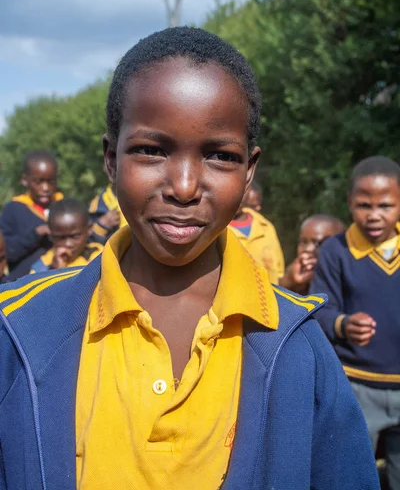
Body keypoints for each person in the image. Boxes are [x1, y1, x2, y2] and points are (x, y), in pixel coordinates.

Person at [0, 27, 378, 490]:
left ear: (249, 170)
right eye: (151, 151)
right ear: (111, 159)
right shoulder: (20, 330)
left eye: (219, 155)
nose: (183, 187)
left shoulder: (298, 346)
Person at [311, 156, 400, 489]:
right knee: (351, 472)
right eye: (363, 205)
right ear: (349, 203)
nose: (374, 214)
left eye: (386, 205)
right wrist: (343, 323)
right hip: (358, 384)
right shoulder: (336, 250)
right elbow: (321, 309)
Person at [0, 150, 63, 279]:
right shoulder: (13, 209)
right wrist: (36, 234)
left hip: (59, 279)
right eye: (38, 182)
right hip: (23, 284)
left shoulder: (64, 206)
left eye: (50, 181)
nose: (45, 188)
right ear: (25, 180)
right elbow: (7, 252)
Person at [229, 186, 284, 284]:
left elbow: (279, 271)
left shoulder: (265, 226)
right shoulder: (215, 230)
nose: (236, 196)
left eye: (242, 189)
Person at [30, 198, 103, 273]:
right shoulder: (43, 266)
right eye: (60, 237)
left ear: (89, 229)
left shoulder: (100, 257)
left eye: (74, 236)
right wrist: (54, 271)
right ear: (51, 235)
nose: (68, 244)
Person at [280, 214, 345, 295]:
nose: (308, 249)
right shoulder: (293, 277)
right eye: (303, 242)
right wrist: (288, 281)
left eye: (318, 243)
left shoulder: (348, 279)